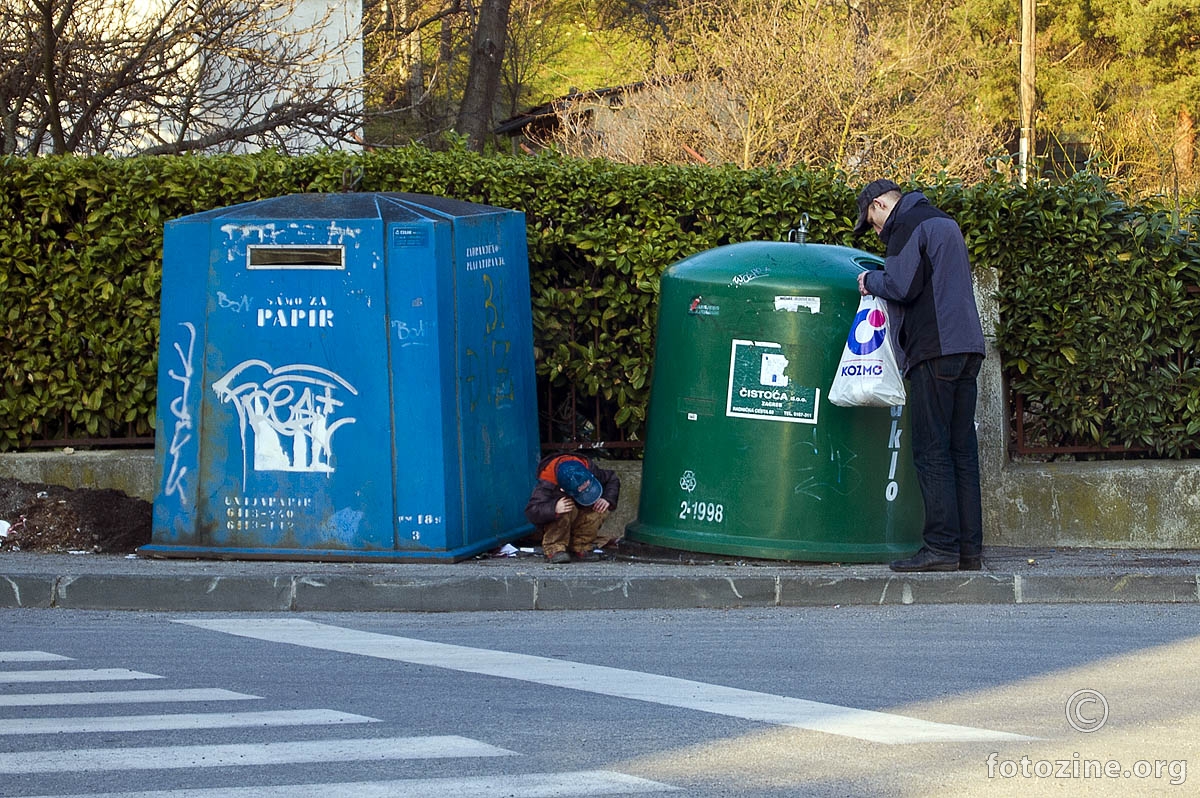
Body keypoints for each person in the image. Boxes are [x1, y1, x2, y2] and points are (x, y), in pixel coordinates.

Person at [853, 179, 987, 572]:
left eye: (872, 223)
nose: (877, 234)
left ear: (880, 205)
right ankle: (968, 551)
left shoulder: (908, 225)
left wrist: (868, 281)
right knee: (961, 450)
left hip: (935, 350)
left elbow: (900, 284)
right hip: (968, 348)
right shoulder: (943, 221)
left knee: (932, 451)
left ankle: (940, 548)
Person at [525, 452, 621, 563]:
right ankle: (555, 549)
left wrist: (607, 499)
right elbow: (532, 510)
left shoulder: (587, 466)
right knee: (564, 507)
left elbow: (612, 478)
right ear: (563, 490)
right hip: (563, 519)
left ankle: (581, 546)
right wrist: (554, 508)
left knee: (600, 508)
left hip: (580, 515)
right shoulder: (548, 482)